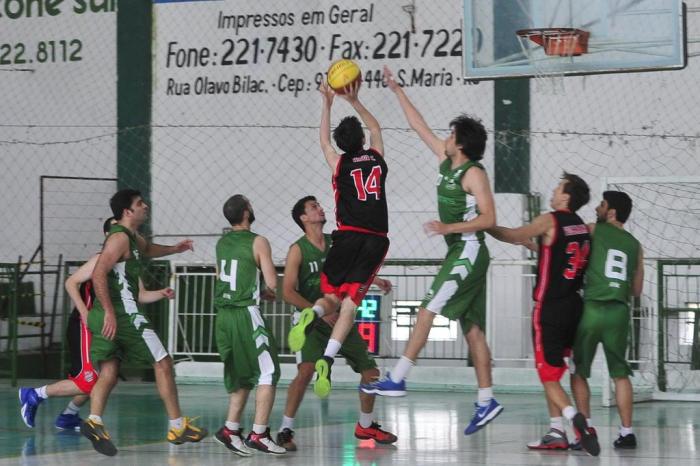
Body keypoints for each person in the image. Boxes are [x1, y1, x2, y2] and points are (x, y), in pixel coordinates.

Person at [360, 66, 502, 436]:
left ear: (462, 143)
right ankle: (487, 400)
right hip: (461, 250)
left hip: (468, 250)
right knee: (472, 330)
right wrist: (397, 90)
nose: (447, 136)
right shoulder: (446, 158)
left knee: (427, 308)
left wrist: (448, 227)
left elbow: (489, 218)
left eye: (452, 133)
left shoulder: (474, 173)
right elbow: (417, 125)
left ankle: (399, 377)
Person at [81, 189, 206, 456]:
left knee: (110, 372)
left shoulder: (133, 237)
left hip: (109, 314)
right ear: (127, 211)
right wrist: (112, 313)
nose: (145, 206)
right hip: (124, 315)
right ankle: (176, 426)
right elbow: (98, 274)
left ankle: (94, 421)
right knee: (163, 363)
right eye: (140, 204)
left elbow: (148, 249)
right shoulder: (118, 239)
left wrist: (175, 249)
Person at [18, 218, 174, 431]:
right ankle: (35, 394)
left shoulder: (128, 265)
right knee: (90, 381)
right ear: (108, 237)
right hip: (86, 324)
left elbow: (140, 295)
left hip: (107, 324)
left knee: (107, 377)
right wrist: (85, 314)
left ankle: (68, 415)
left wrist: (162, 293)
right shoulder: (100, 260)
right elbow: (70, 282)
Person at [287, 80, 390, 399]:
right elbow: (376, 127)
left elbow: (322, 142)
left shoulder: (340, 163)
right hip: (374, 241)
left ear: (342, 144)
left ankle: (314, 313)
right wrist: (354, 101)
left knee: (331, 297)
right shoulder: (376, 159)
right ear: (361, 139)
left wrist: (327, 103)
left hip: (345, 238)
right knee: (349, 307)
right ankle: (328, 358)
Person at [487, 173, 600, 456]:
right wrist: (535, 247)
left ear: (566, 196)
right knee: (567, 372)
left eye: (558, 187)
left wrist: (486, 225)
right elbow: (565, 254)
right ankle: (559, 432)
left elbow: (513, 234)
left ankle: (574, 420)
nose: (553, 190)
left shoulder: (550, 219)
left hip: (550, 308)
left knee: (548, 376)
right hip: (575, 306)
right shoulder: (583, 228)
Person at [276, 195, 397, 451]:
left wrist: (376, 281)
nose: (320, 208)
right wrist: (316, 311)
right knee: (305, 372)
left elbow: (355, 268)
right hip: (313, 319)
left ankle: (365, 425)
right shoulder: (297, 249)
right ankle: (285, 429)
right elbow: (287, 292)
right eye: (313, 207)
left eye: (319, 205)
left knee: (371, 372)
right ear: (303, 218)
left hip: (340, 318)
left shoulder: (335, 242)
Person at [212, 194, 285, 456]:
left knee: (242, 373)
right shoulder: (258, 241)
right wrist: (268, 289)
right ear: (246, 212)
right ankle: (259, 433)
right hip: (245, 313)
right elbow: (272, 282)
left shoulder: (221, 243)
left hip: (223, 315)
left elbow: (221, 275)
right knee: (269, 372)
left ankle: (230, 430)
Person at [570, 191, 643, 450]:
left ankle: (585, 433)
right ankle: (627, 433)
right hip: (619, 312)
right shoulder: (635, 245)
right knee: (620, 374)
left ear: (611, 212)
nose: (597, 209)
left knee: (579, 372)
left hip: (592, 308)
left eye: (601, 205)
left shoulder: (593, 230)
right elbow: (636, 289)